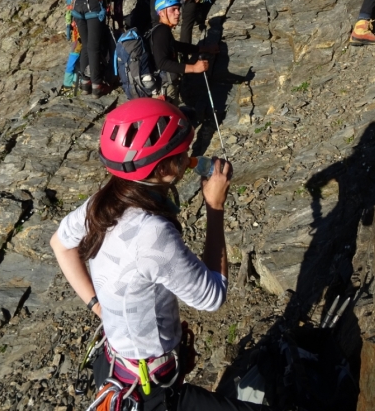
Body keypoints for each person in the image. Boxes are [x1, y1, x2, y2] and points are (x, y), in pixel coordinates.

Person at [50, 98, 263, 411]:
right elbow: (212, 295)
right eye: (183, 151)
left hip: (115, 367)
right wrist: (215, 207)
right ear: (164, 168)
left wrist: (100, 309)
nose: (190, 155)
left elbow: (60, 244)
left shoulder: (103, 202)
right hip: (150, 393)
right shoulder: (150, 234)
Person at [151, 0, 217, 105]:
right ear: (161, 13)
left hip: (163, 87)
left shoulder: (160, 31)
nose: (178, 13)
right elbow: (162, 63)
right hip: (164, 91)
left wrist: (204, 49)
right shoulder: (162, 32)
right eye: (173, 9)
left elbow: (177, 46)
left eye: (178, 9)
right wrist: (194, 68)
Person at [72, 0, 131, 97]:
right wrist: (120, 27)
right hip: (93, 1)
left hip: (77, 1)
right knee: (94, 47)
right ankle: (96, 85)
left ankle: (85, 83)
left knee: (85, 44)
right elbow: (118, 11)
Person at [59, 0, 88, 92]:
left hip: (78, 13)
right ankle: (69, 79)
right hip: (76, 15)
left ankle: (75, 76)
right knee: (77, 46)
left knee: (80, 46)